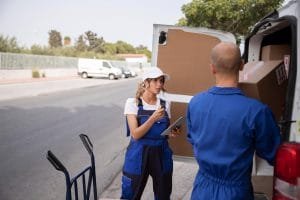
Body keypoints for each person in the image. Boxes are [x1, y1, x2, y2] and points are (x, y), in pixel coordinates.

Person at [186, 42, 281, 200]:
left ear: (212, 68)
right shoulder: (257, 111)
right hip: (235, 193)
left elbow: (193, 139)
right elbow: (274, 154)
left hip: (202, 188)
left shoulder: (195, 103)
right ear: (242, 65)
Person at [121, 67, 179, 200]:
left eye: (161, 81)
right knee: (130, 194)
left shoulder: (165, 104)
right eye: (155, 81)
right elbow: (135, 134)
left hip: (161, 152)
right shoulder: (133, 104)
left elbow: (163, 132)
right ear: (145, 83)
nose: (159, 84)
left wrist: (171, 133)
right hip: (138, 154)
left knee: (163, 194)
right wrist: (152, 118)